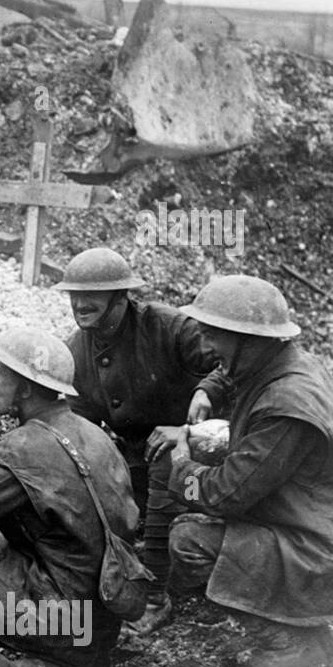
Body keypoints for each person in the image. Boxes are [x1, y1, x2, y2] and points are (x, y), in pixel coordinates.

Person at [167, 275, 333, 667]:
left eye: (216, 336)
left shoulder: (288, 405)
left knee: (189, 539)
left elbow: (222, 495)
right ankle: (296, 627)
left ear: (250, 339)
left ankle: (288, 648)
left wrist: (179, 461)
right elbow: (230, 376)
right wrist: (207, 389)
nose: (207, 346)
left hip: (324, 554)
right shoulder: (285, 363)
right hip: (325, 530)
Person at [0, 328, 140, 667]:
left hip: (61, 619)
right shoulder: (93, 432)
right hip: (101, 615)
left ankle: (41, 661)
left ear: (25, 389)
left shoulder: (23, 447)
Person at [53, 247, 220, 637]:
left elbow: (231, 367)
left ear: (121, 297)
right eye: (73, 295)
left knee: (165, 458)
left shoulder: (169, 327)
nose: (79, 304)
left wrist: (187, 428)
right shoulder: (77, 350)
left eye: (91, 295)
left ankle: (156, 596)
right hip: (139, 463)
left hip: (203, 455)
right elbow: (77, 424)